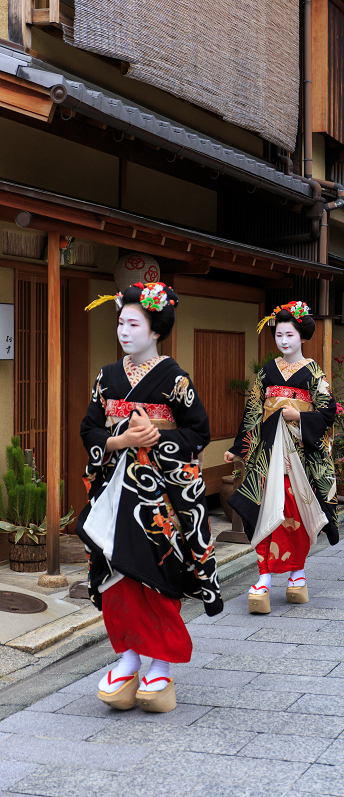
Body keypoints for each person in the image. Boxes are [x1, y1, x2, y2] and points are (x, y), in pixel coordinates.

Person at [76, 281, 223, 713]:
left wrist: (157, 438)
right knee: (116, 573)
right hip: (114, 493)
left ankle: (160, 661)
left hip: (159, 499)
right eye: (120, 322)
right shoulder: (107, 376)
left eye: (133, 323)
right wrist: (119, 441)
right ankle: (128, 656)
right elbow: (89, 430)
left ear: (155, 329)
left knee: (157, 574)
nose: (124, 330)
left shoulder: (174, 379)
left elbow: (200, 432)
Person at [224, 301, 338, 614]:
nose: (284, 341)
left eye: (289, 335)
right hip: (266, 455)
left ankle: (297, 574)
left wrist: (298, 416)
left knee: (296, 514)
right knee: (265, 513)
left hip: (299, 456)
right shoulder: (266, 372)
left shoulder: (314, 373)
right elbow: (252, 411)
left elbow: (328, 411)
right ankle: (263, 577)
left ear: (302, 336)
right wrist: (238, 448)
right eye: (279, 335)